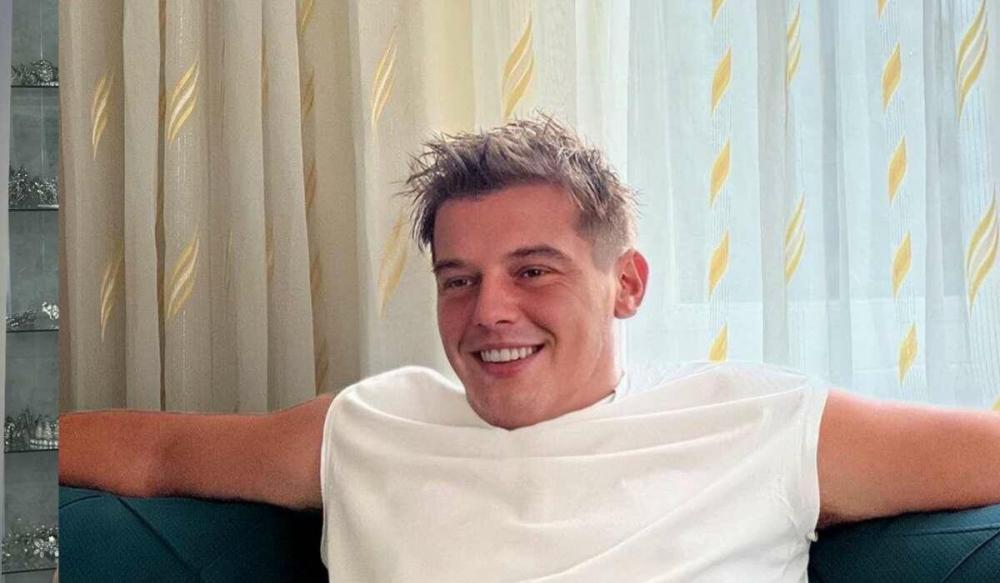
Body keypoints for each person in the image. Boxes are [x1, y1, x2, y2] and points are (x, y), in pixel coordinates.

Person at [60, 117, 1000, 581]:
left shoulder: (761, 420)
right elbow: (156, 453)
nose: (489, 312)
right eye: (458, 279)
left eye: (533, 271)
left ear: (626, 284)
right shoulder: (370, 424)